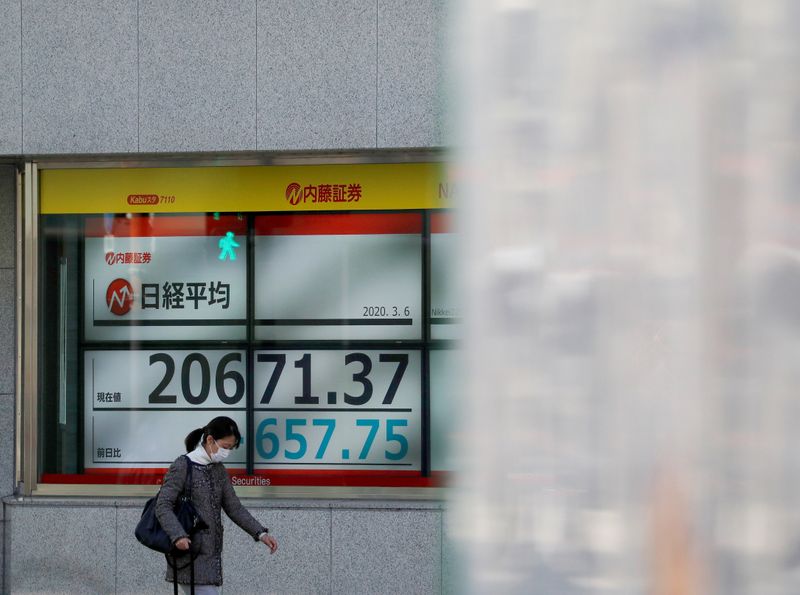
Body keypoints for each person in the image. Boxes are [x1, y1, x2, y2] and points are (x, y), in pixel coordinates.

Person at [155, 416, 278, 594]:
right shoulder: (183, 465)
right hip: (188, 553)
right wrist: (178, 536)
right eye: (225, 447)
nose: (226, 452)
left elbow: (234, 507)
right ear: (210, 440)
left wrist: (261, 533)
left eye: (230, 448)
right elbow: (163, 505)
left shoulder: (218, 469)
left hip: (211, 557)